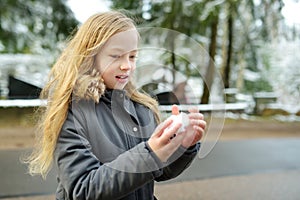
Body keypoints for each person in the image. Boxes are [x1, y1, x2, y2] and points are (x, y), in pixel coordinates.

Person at [25, 11, 206, 200]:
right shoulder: (73, 110)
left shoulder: (142, 107)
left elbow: (159, 171)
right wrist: (150, 154)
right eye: (116, 56)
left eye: (132, 57)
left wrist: (181, 146)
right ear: (90, 57)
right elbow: (83, 189)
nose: (127, 65)